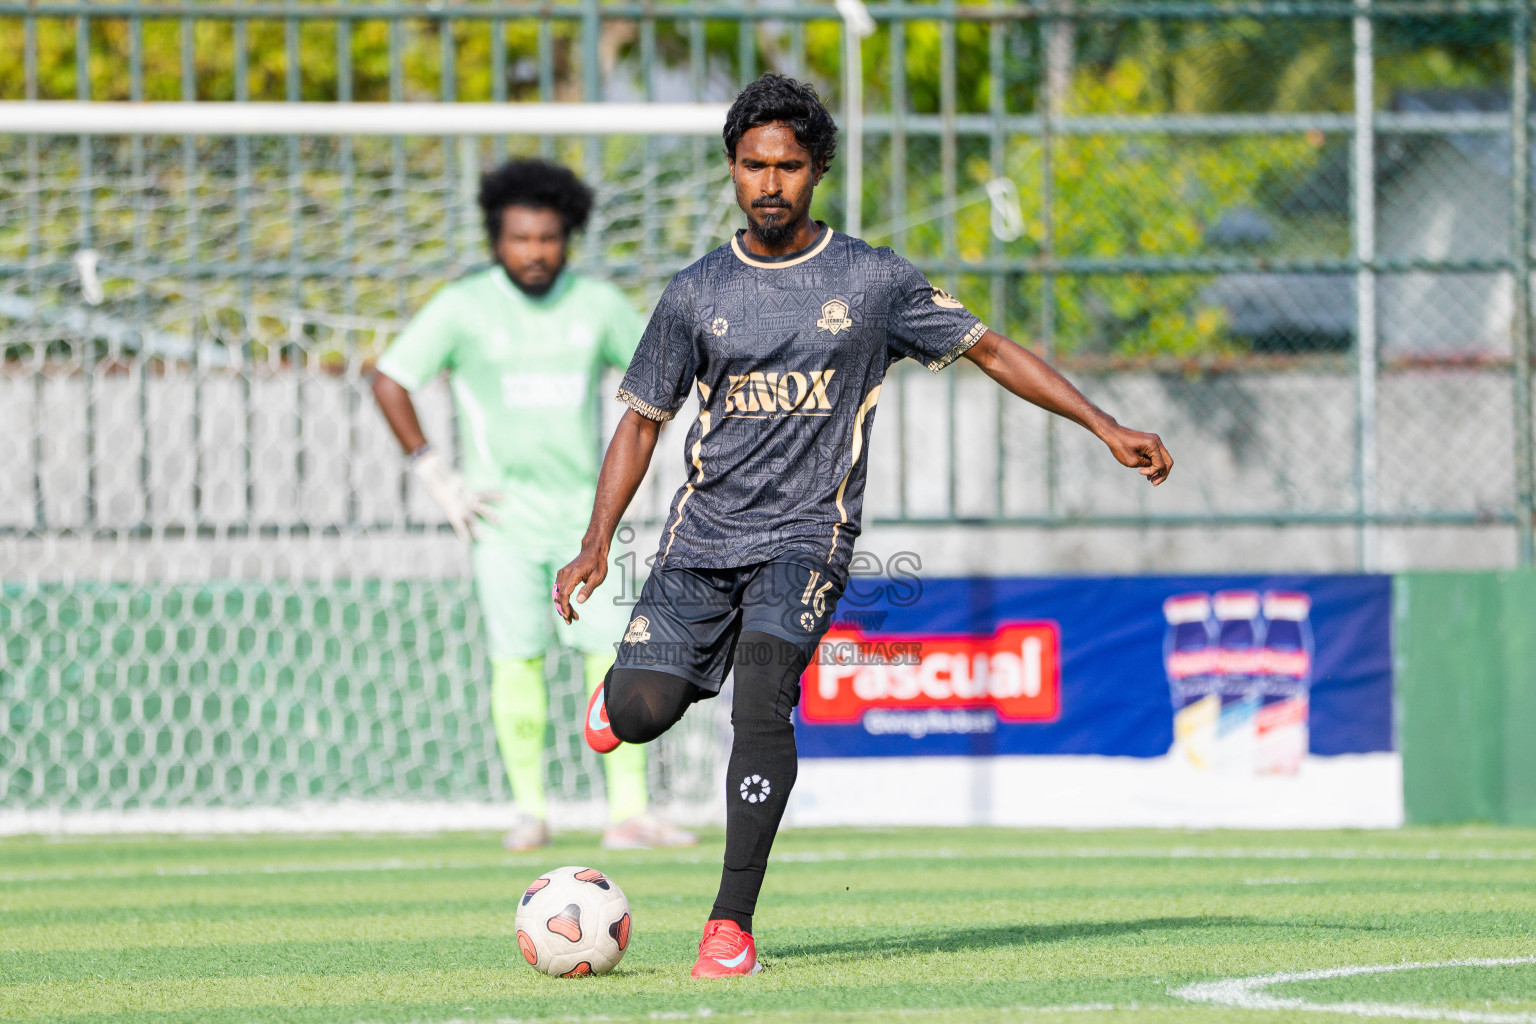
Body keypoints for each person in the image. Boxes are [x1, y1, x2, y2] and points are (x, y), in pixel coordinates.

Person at [554, 75, 1173, 976]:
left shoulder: (872, 280)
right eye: (754, 165)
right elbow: (643, 418)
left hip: (808, 543)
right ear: (731, 169)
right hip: (699, 544)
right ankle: (626, 700)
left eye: (791, 167)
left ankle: (729, 927)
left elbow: (990, 349)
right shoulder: (696, 292)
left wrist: (1105, 424)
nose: (771, 184)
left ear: (818, 172)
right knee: (640, 714)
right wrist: (597, 541)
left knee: (763, 700)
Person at [373, 158, 695, 852]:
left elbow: (661, 377)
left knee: (616, 653)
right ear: (497, 239)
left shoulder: (598, 304)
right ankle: (529, 810)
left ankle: (628, 812)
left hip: (588, 524)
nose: (535, 252)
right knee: (515, 658)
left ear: (567, 237)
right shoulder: (463, 306)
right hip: (502, 522)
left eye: (548, 238)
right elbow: (391, 378)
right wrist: (436, 476)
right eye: (520, 239)